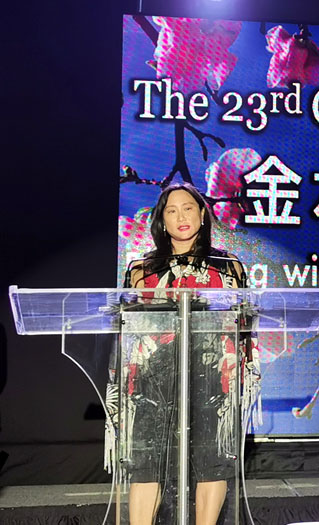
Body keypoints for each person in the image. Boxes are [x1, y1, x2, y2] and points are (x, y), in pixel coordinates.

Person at [109, 183, 250, 525]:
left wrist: (242, 373)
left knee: (211, 461)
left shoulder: (227, 266)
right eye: (171, 211)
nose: (181, 217)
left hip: (211, 374)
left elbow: (244, 323)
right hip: (153, 377)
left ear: (202, 214)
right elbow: (128, 325)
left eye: (188, 208)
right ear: (161, 221)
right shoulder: (142, 269)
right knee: (147, 463)